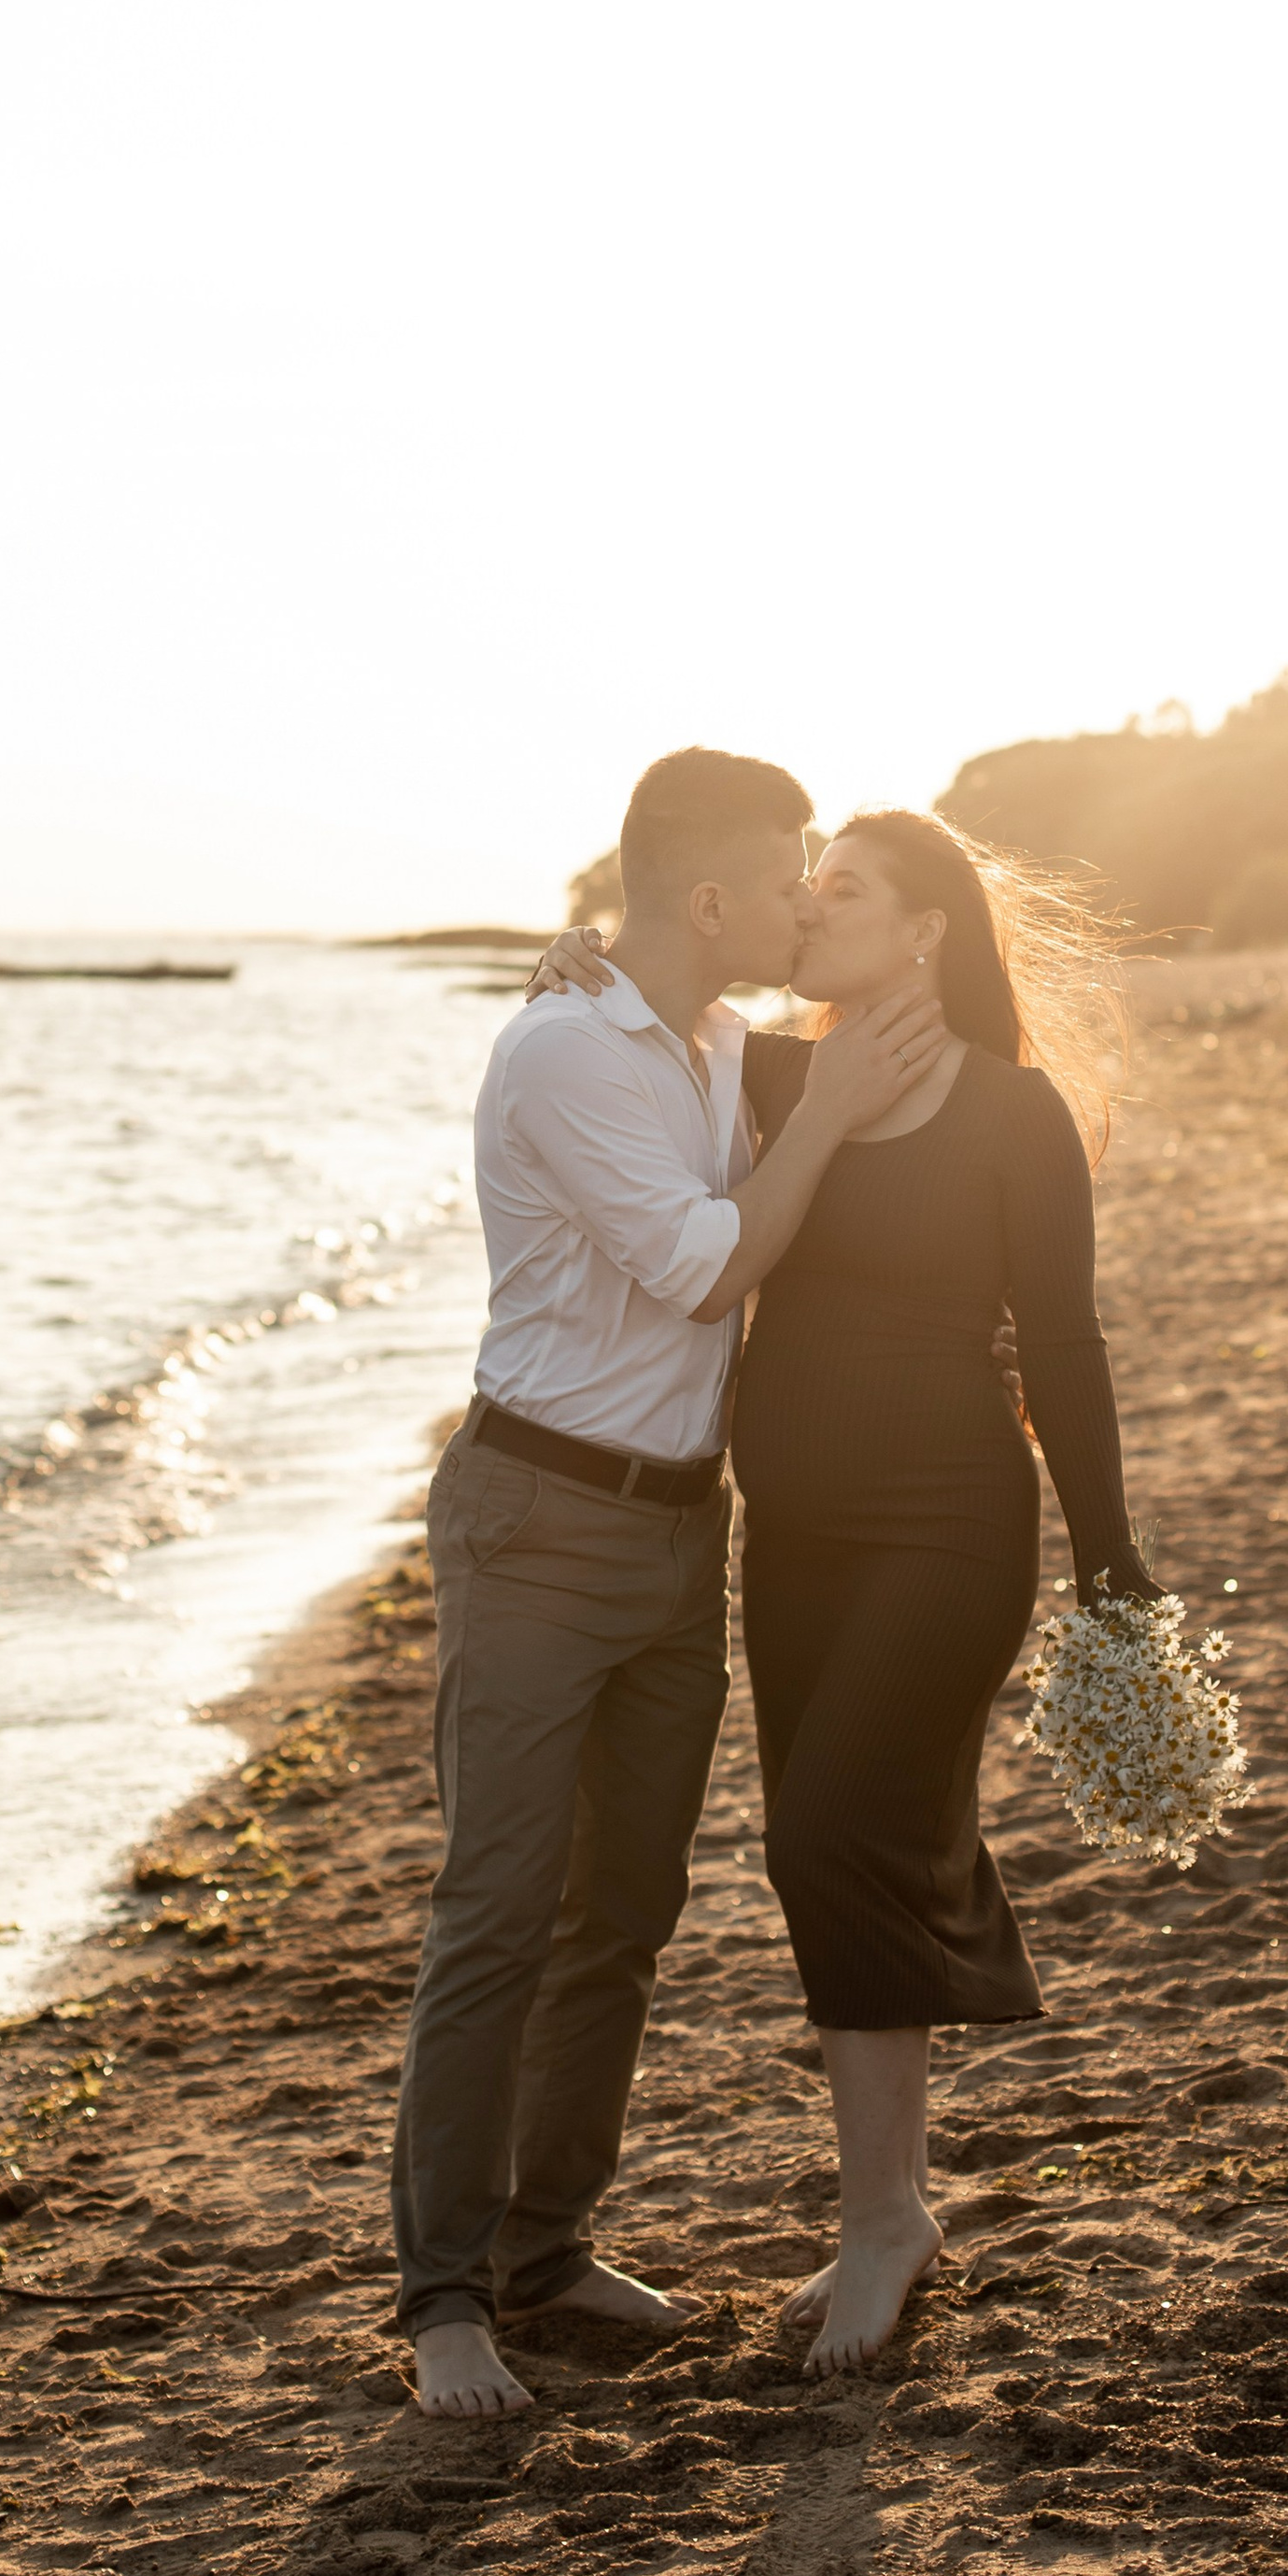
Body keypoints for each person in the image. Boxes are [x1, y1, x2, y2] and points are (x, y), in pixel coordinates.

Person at [529, 805, 1159, 2376]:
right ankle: (886, 2210)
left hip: (949, 1528)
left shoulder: (1020, 1117)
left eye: (847, 887)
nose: (811, 904)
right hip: (789, 1537)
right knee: (825, 1849)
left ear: (928, 929)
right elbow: (648, 1040)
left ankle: (886, 2218)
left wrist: (1110, 1555)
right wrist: (578, 966)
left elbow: (1065, 1349)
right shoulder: (773, 1079)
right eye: (808, 881)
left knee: (830, 1830)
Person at [392, 749, 950, 2420]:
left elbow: (911, 1035)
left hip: (676, 1533)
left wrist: (868, 1037)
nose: (805, 899)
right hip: (539, 1518)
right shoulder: (565, 1049)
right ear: (710, 898)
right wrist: (837, 1108)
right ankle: (443, 2304)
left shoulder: (716, 1041)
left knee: (621, 1919)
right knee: (496, 1913)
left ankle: (549, 2251)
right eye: (790, 873)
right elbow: (707, 1272)